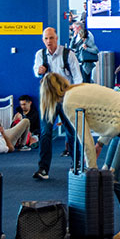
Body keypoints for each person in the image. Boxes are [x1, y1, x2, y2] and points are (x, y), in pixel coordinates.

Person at [39, 73, 120, 239]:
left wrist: (91, 170)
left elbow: (85, 139)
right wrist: (101, 144)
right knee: (107, 173)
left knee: (115, 177)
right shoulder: (78, 89)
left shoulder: (69, 102)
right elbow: (112, 112)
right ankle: (108, 222)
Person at [32, 27, 81, 180]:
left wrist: (75, 98)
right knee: (46, 133)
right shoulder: (40, 55)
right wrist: (39, 71)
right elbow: (35, 71)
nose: (49, 41)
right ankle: (43, 169)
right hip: (48, 99)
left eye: (51, 38)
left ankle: (76, 165)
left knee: (71, 132)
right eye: (46, 38)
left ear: (57, 38)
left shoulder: (68, 55)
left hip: (66, 98)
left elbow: (78, 78)